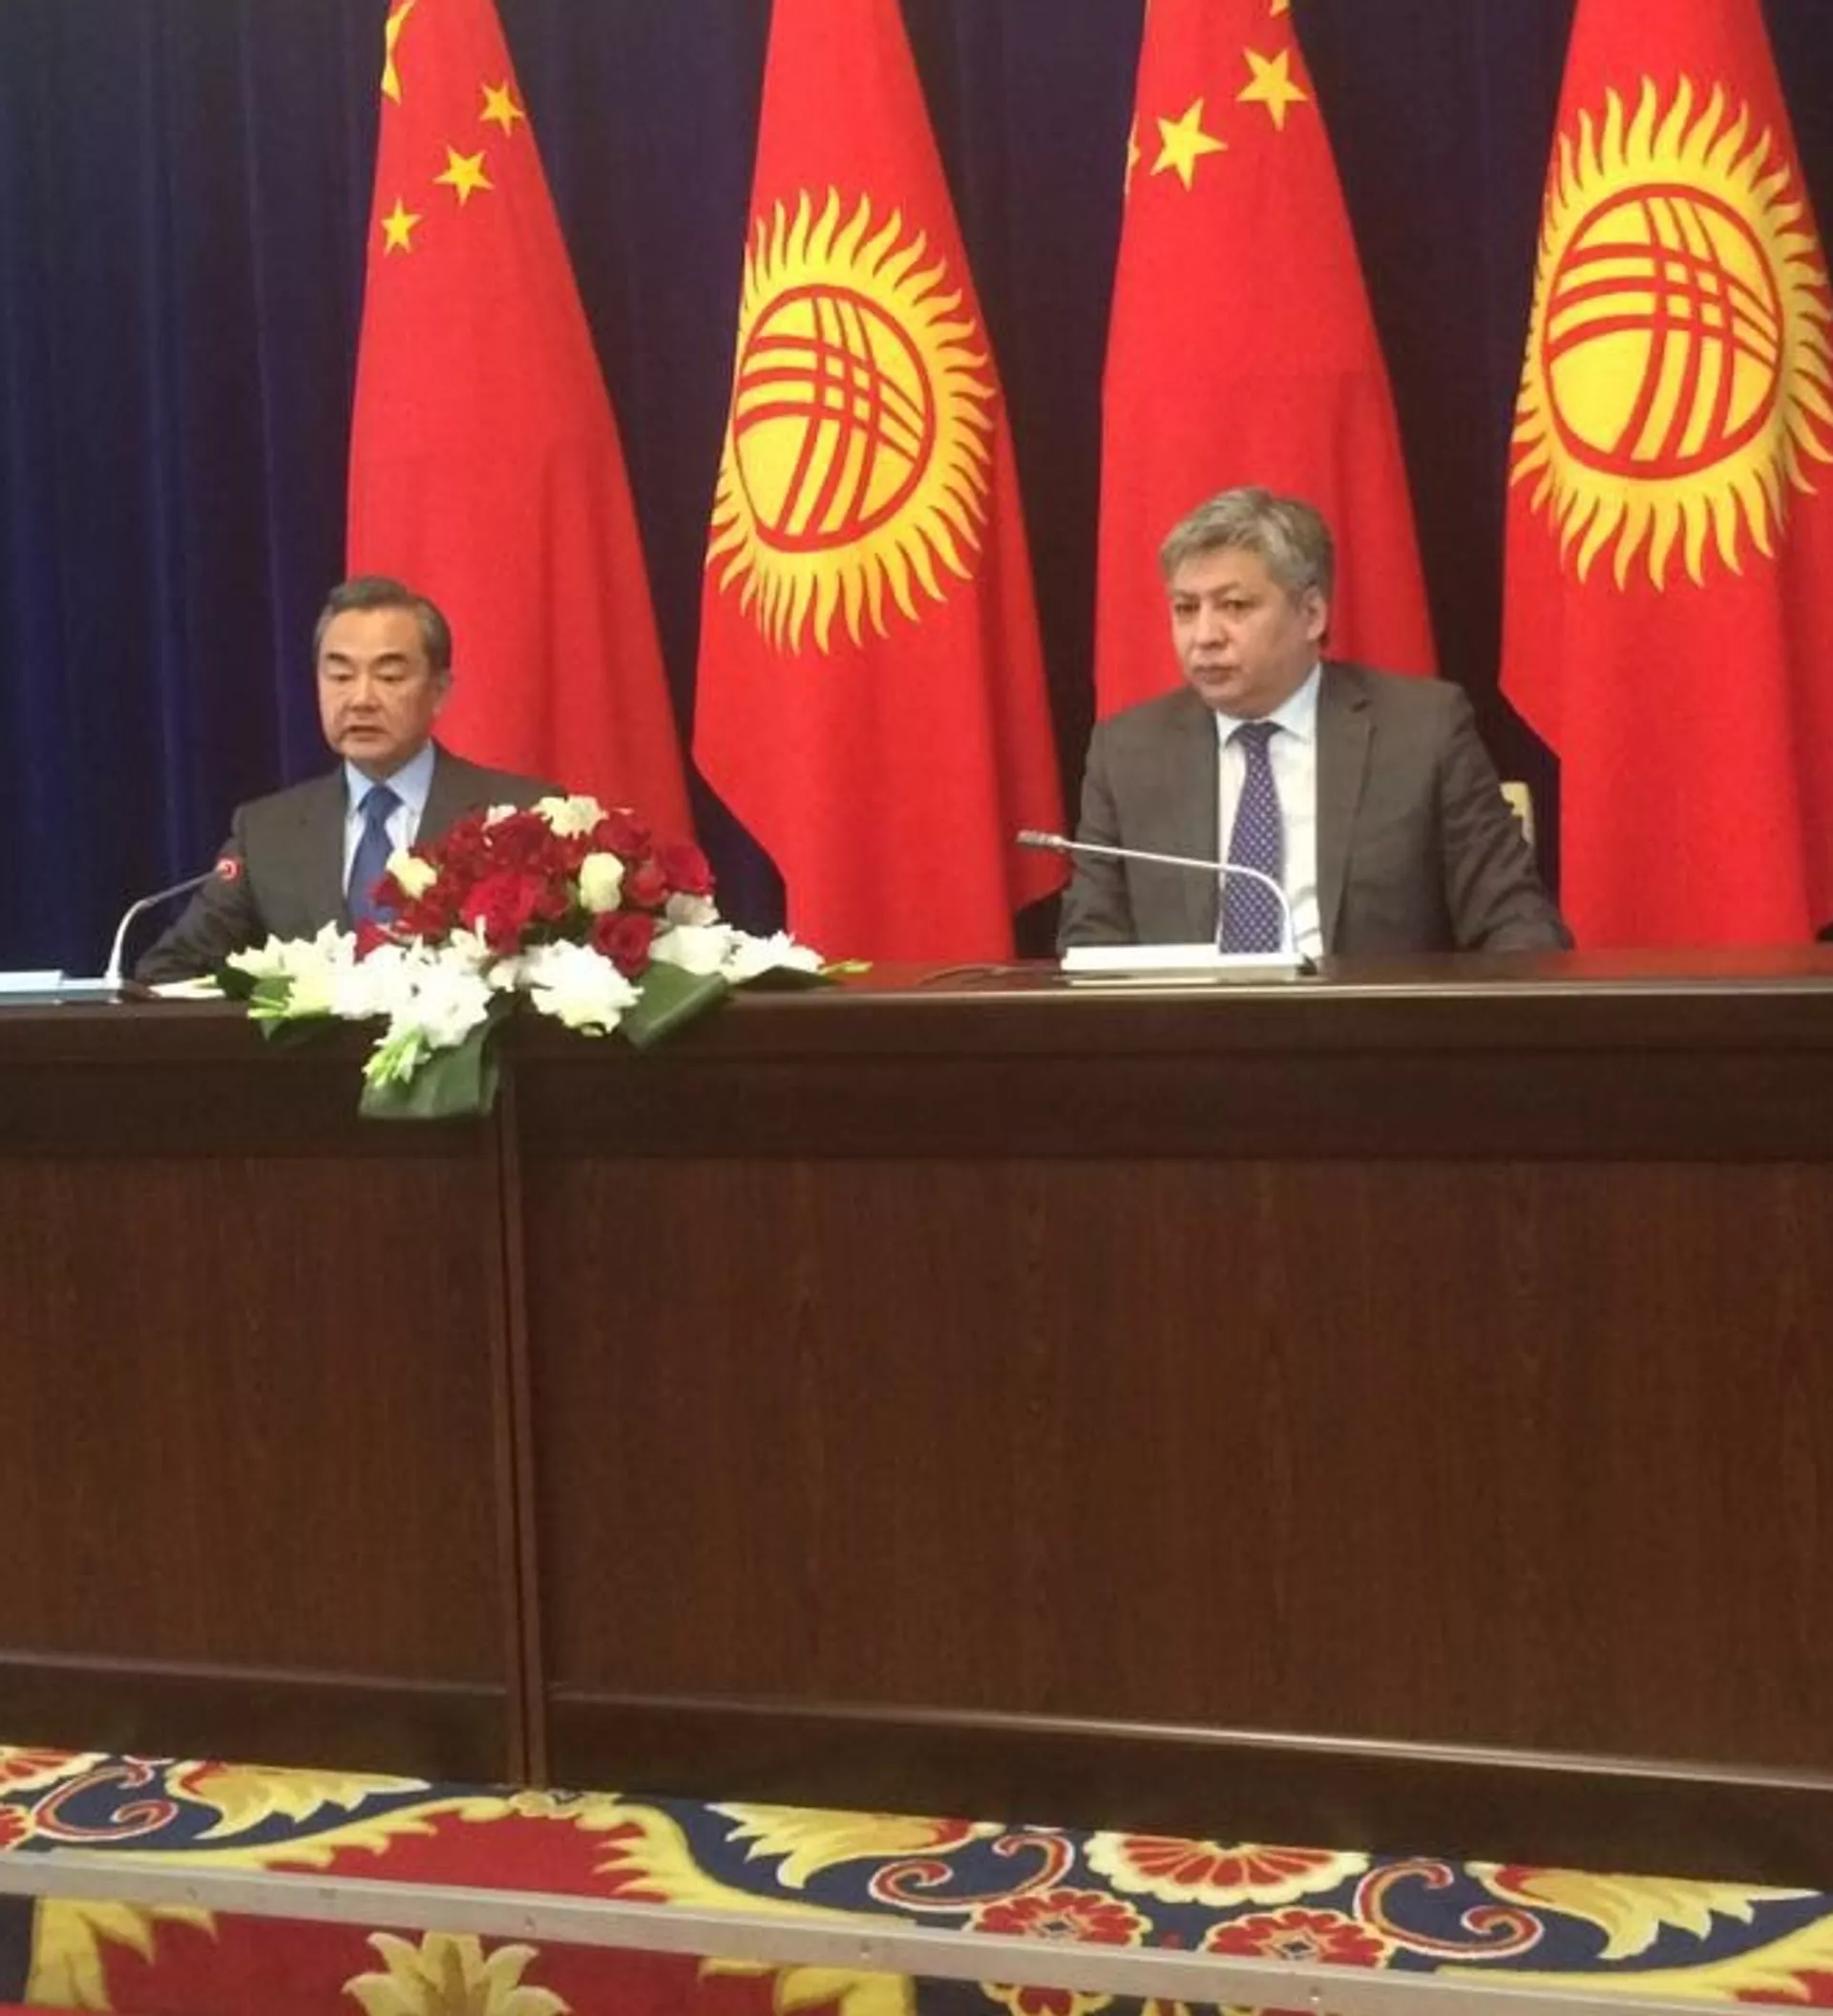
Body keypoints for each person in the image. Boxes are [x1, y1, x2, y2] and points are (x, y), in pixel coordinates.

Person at [1058, 487, 1570, 956]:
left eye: (1234, 606)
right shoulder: (1128, 753)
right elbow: (1090, 944)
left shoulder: (1422, 732)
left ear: (1311, 615)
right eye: (1186, 609)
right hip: (1187, 1027)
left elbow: (1517, 922)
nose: (1204, 636)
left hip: (1368, 1026)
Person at [136, 577, 560, 982]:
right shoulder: (266, 835)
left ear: (439, 692)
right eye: (340, 676)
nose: (360, 700)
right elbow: (168, 972)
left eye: (389, 677)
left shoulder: (518, 818)